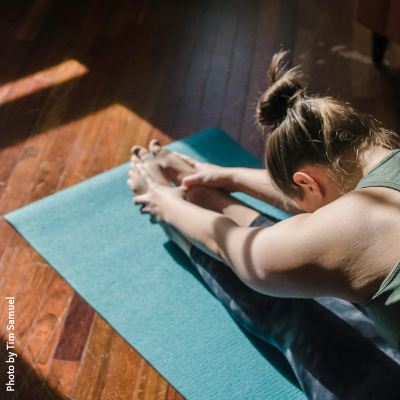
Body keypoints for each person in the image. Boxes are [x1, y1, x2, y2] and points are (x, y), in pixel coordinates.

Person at [127, 50, 400, 399]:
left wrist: (163, 203)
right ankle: (212, 199)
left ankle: (190, 224)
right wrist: (231, 177)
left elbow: (252, 258)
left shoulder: (359, 223)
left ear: (307, 183)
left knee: (298, 313)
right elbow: (324, 196)